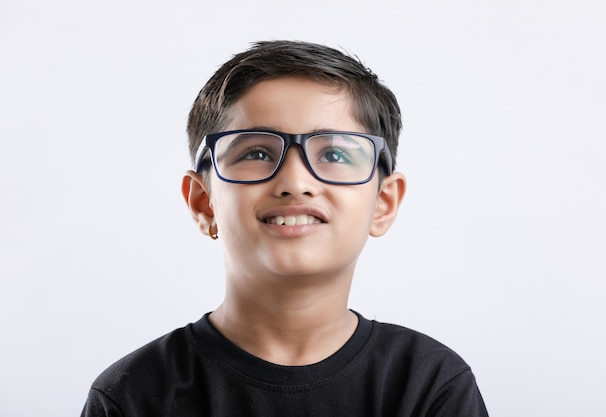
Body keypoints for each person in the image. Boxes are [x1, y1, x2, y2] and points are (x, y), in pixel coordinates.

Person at [81, 40, 489, 416]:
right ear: (204, 202)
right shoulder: (133, 395)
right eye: (257, 152)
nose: (295, 181)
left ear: (382, 203)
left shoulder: (430, 386)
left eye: (333, 153)